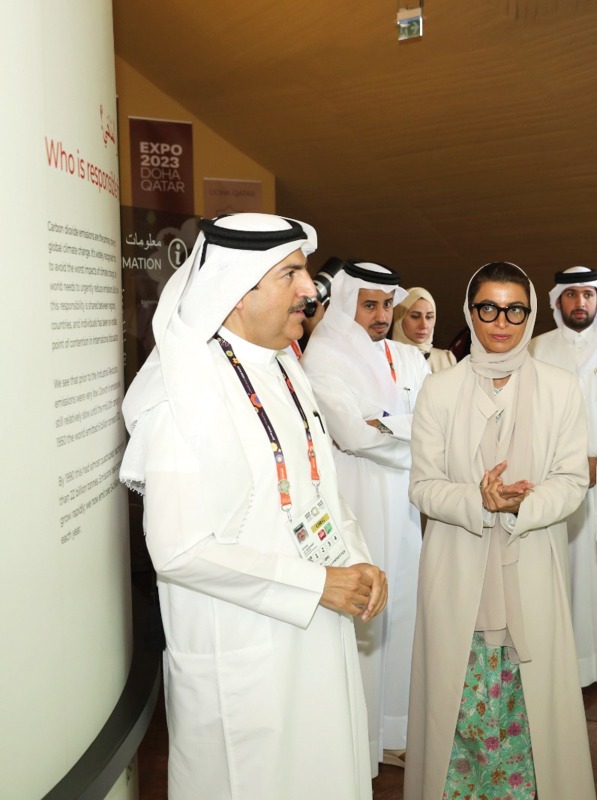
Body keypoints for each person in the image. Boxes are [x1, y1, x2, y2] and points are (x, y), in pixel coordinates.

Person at [120, 213, 386, 799]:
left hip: (316, 628)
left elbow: (320, 486)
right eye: (291, 272)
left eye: (307, 272)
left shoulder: (284, 364)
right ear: (237, 292)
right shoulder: (181, 389)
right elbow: (179, 551)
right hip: (245, 653)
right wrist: (318, 584)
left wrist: (357, 561)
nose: (311, 289)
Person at [404, 262, 596, 800]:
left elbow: (572, 481)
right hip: (457, 571)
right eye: (488, 308)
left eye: (515, 310)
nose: (501, 322)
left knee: (536, 721)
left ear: (531, 315)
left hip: (531, 563)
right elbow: (422, 486)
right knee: (455, 716)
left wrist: (518, 506)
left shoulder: (560, 389)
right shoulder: (438, 391)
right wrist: (478, 500)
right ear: (471, 313)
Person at [301, 260, 429, 773]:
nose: (381, 315)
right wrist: (411, 433)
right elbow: (355, 437)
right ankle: (359, 743)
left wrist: (392, 426)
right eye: (369, 304)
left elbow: (431, 423)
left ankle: (393, 731)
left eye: (385, 305)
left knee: (402, 611)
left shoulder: (402, 355)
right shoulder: (323, 356)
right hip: (354, 496)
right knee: (366, 612)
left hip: (404, 497)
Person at [530, 266, 597, 688]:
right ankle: (572, 666)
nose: (580, 303)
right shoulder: (538, 348)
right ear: (557, 301)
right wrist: (573, 461)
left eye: (588, 295)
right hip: (560, 478)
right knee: (568, 571)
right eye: (570, 295)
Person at [391, 286, 458, 372]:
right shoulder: (383, 359)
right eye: (415, 316)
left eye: (429, 317)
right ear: (399, 318)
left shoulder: (446, 360)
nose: (424, 325)